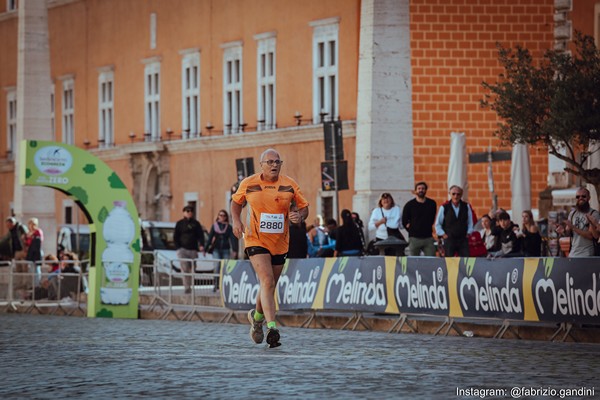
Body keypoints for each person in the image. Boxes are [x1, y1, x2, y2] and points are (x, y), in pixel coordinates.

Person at [231, 148, 309, 348]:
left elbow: (304, 207)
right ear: (261, 165)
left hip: (280, 242)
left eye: (277, 162)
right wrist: (236, 221)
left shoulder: (289, 184)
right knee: (266, 280)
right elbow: (236, 202)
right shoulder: (249, 183)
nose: (274, 165)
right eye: (270, 162)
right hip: (255, 239)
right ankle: (272, 327)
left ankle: (257, 319)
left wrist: (299, 216)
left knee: (269, 284)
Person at [556, 187, 600, 257]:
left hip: (587, 255)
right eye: (578, 196)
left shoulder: (593, 214)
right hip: (573, 254)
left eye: (583, 196)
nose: (580, 198)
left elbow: (591, 236)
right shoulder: (572, 214)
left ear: (589, 198)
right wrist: (563, 231)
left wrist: (573, 228)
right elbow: (568, 233)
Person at [174, 205, 206, 294]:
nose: (189, 213)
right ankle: (187, 287)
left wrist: (201, 245)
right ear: (183, 212)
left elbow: (201, 236)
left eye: (191, 211)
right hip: (182, 250)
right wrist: (178, 248)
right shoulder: (179, 224)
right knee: (184, 269)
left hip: (193, 250)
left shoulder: (196, 224)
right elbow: (175, 236)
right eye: (187, 211)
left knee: (192, 269)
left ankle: (191, 285)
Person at [435, 185, 473, 257]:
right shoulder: (444, 207)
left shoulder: (466, 206)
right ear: (449, 194)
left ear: (461, 195)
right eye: (453, 194)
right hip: (449, 239)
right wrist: (444, 235)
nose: (456, 196)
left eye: (458, 194)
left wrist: (468, 233)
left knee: (465, 260)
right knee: (449, 261)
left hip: (463, 239)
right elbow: (438, 224)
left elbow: (470, 222)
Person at [402, 181, 437, 256]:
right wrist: (411, 229)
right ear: (415, 191)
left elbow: (432, 218)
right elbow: (404, 221)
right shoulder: (409, 205)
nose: (421, 190)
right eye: (419, 188)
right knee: (414, 261)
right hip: (414, 238)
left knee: (431, 259)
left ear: (426, 190)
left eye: (423, 188)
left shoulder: (432, 204)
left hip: (428, 237)